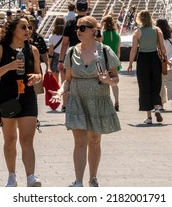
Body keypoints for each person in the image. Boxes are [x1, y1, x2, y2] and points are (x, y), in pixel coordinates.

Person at [49, 16, 121, 187]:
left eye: (82, 28)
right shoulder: (72, 52)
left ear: (93, 30)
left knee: (95, 140)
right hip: (77, 100)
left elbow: (116, 79)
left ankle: (93, 178)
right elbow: (67, 80)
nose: (78, 31)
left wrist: (108, 80)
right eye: (77, 28)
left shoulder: (105, 51)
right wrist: (60, 92)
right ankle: (78, 181)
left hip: (98, 100)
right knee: (79, 142)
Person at [0, 17, 42, 187]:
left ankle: (31, 177)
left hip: (27, 97)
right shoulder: (0, 49)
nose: (27, 30)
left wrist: (36, 77)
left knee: (27, 139)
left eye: (29, 27)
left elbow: (39, 73)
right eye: (23, 27)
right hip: (7, 97)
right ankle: (12, 176)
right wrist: (8, 67)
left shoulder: (33, 50)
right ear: (13, 29)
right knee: (10, 139)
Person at [127, 10, 167, 124]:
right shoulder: (157, 30)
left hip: (143, 60)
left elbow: (134, 49)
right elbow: (162, 47)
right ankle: (157, 107)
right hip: (155, 58)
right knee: (156, 83)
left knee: (144, 86)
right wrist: (165, 59)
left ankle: (149, 117)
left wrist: (130, 63)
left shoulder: (137, 32)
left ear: (140, 19)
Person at [101, 15, 121, 111]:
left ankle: (107, 103)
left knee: (105, 81)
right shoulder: (117, 34)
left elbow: (100, 48)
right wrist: (117, 61)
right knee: (114, 81)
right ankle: (116, 101)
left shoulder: (103, 34)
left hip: (105, 59)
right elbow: (118, 50)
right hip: (114, 60)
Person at [47, 16, 65, 84]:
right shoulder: (66, 36)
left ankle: (57, 93)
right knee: (64, 80)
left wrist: (49, 64)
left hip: (55, 56)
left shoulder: (52, 36)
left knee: (55, 80)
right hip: (64, 56)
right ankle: (64, 94)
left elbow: (51, 51)